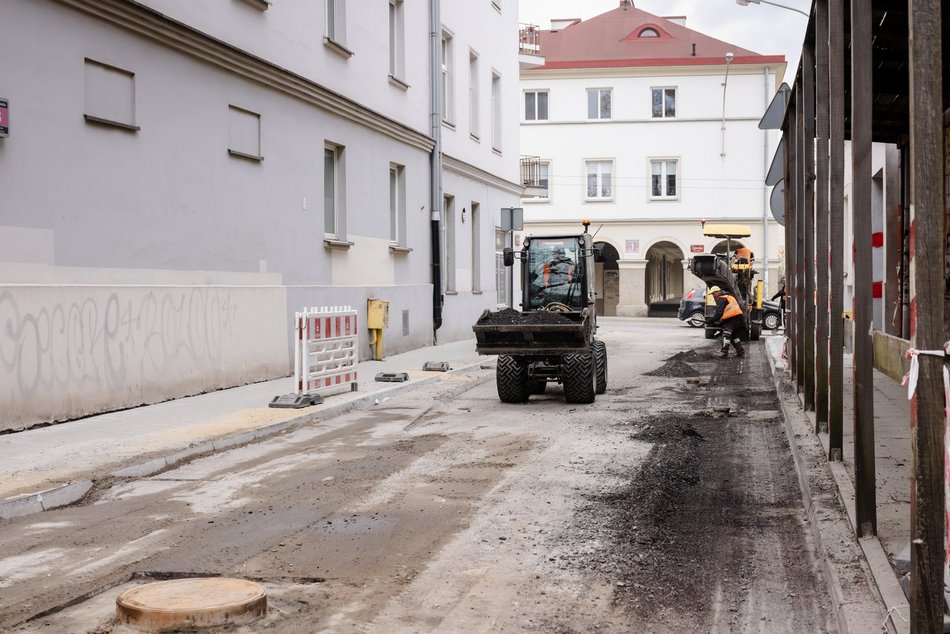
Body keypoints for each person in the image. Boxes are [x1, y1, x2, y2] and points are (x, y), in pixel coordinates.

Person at [708, 285, 745, 358]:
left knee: (726, 335)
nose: (713, 295)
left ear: (718, 292)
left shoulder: (722, 298)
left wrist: (711, 320)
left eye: (713, 293)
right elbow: (726, 312)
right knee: (734, 336)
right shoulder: (729, 297)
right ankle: (741, 352)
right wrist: (720, 322)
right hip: (738, 318)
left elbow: (719, 313)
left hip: (732, 318)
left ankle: (724, 353)